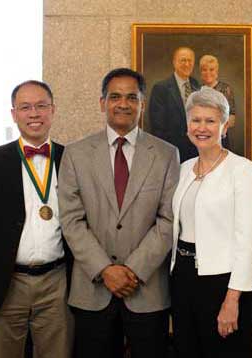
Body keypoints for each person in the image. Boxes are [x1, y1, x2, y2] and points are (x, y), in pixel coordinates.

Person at [57, 68, 179, 358]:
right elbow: (71, 220)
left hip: (147, 291)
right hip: (92, 290)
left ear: (142, 104)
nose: (123, 104)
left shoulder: (166, 154)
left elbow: (169, 219)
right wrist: (105, 269)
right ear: (102, 103)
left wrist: (133, 270)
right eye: (114, 97)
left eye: (131, 97)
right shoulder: (75, 154)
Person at [0, 80, 73, 358]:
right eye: (25, 107)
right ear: (14, 114)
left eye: (41, 106)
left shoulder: (72, 158)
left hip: (58, 282)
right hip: (5, 282)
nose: (34, 113)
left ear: (53, 110)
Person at [170, 87, 252, 357]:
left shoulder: (244, 171)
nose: (202, 127)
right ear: (187, 126)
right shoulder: (183, 168)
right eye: (196, 120)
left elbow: (249, 242)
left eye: (210, 121)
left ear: (223, 127)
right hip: (183, 275)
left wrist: (232, 300)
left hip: (223, 282)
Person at [148, 46, 201, 162]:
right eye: (183, 60)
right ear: (174, 62)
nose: (187, 64)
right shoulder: (161, 88)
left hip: (198, 152)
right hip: (172, 154)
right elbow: (158, 129)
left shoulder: (198, 86)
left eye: (190, 60)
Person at [199, 54, 236, 149]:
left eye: (211, 69)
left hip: (220, 138)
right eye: (204, 69)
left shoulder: (225, 89)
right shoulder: (197, 90)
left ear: (217, 71)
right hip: (201, 137)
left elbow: (231, 119)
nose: (208, 73)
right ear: (201, 72)